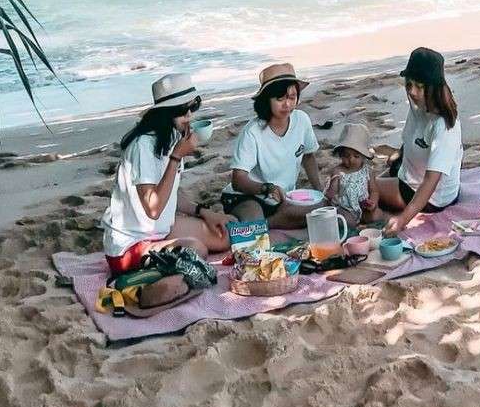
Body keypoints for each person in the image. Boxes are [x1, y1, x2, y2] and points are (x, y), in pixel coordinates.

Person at [101, 75, 230, 304]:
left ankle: (168, 280)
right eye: (183, 111)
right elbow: (153, 208)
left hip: (158, 231)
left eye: (192, 109)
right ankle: (142, 286)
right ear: (165, 114)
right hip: (130, 245)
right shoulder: (144, 146)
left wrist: (203, 211)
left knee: (224, 235)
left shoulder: (171, 136)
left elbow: (172, 193)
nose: (189, 117)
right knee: (197, 249)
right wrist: (176, 156)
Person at [221, 62, 324, 228]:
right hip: (249, 195)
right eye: (280, 98)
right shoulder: (252, 132)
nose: (287, 104)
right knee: (254, 222)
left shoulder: (302, 119)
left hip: (283, 197)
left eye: (292, 97)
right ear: (266, 100)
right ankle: (264, 224)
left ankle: (270, 223)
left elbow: (308, 156)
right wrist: (267, 188)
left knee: (320, 210)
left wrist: (320, 190)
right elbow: (238, 180)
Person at [379, 47, 463, 234]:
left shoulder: (443, 125)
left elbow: (431, 182)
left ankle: (378, 214)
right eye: (409, 84)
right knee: (368, 179)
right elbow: (415, 137)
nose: (413, 92)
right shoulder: (417, 106)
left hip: (431, 196)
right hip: (408, 172)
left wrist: (402, 220)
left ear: (434, 86)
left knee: (365, 187)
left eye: (421, 86)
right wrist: (400, 153)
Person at [326, 122, 380, 226]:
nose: (351, 159)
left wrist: (372, 203)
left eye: (356, 156)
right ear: (340, 155)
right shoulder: (338, 171)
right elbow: (330, 195)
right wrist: (334, 181)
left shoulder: (367, 171)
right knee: (347, 221)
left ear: (364, 156)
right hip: (345, 208)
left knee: (376, 215)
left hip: (363, 206)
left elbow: (374, 191)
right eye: (346, 155)